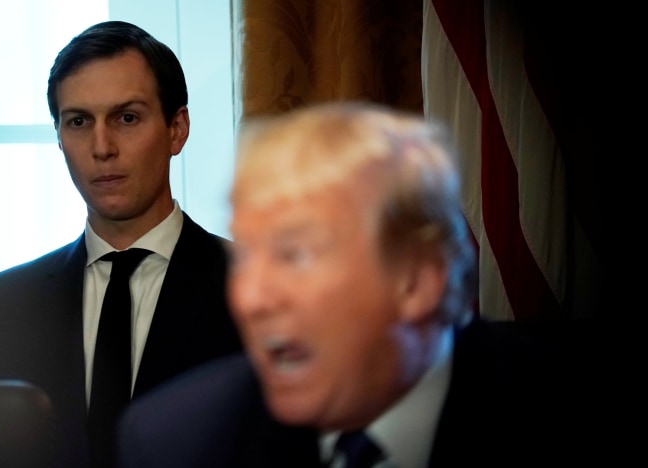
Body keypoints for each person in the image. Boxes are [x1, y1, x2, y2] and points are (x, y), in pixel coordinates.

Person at [117, 101, 589, 467]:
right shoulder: (179, 442)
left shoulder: (554, 417)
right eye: (244, 257)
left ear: (417, 280)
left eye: (294, 255)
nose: (250, 298)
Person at [0, 20, 242, 468]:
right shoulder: (5, 303)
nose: (102, 147)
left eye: (127, 117)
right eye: (79, 121)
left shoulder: (260, 287)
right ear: (60, 138)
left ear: (176, 129)